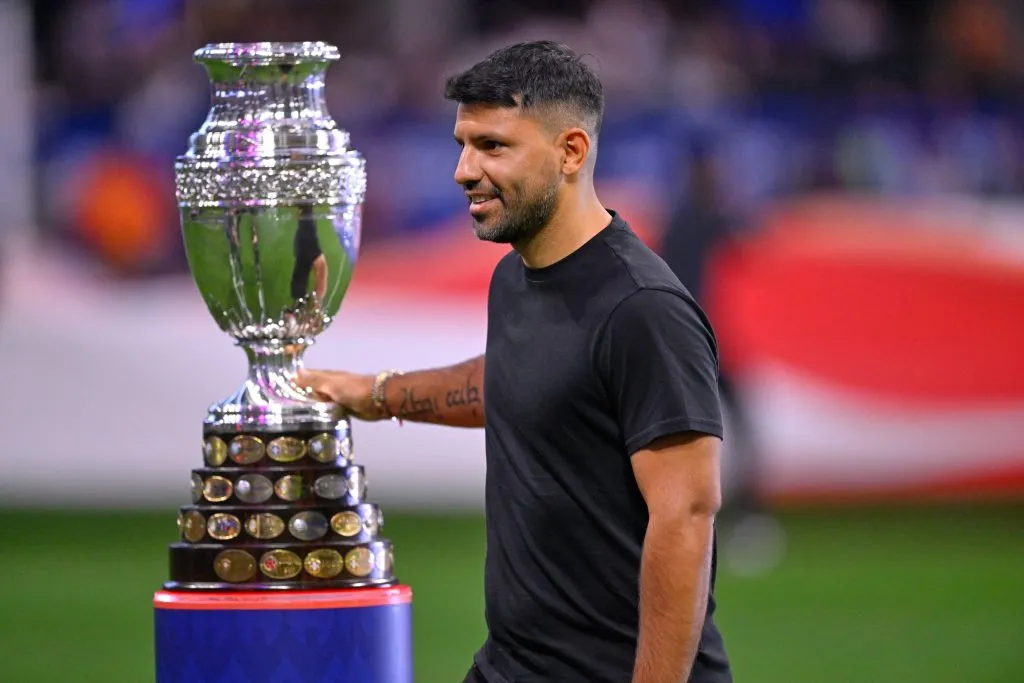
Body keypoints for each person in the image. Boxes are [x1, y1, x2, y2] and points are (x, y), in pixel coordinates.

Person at [299, 41, 733, 683]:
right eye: (462, 145)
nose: (463, 170)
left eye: (493, 146)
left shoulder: (643, 309)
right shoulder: (516, 277)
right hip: (513, 665)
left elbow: (685, 519)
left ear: (571, 152)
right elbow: (521, 380)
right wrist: (374, 392)